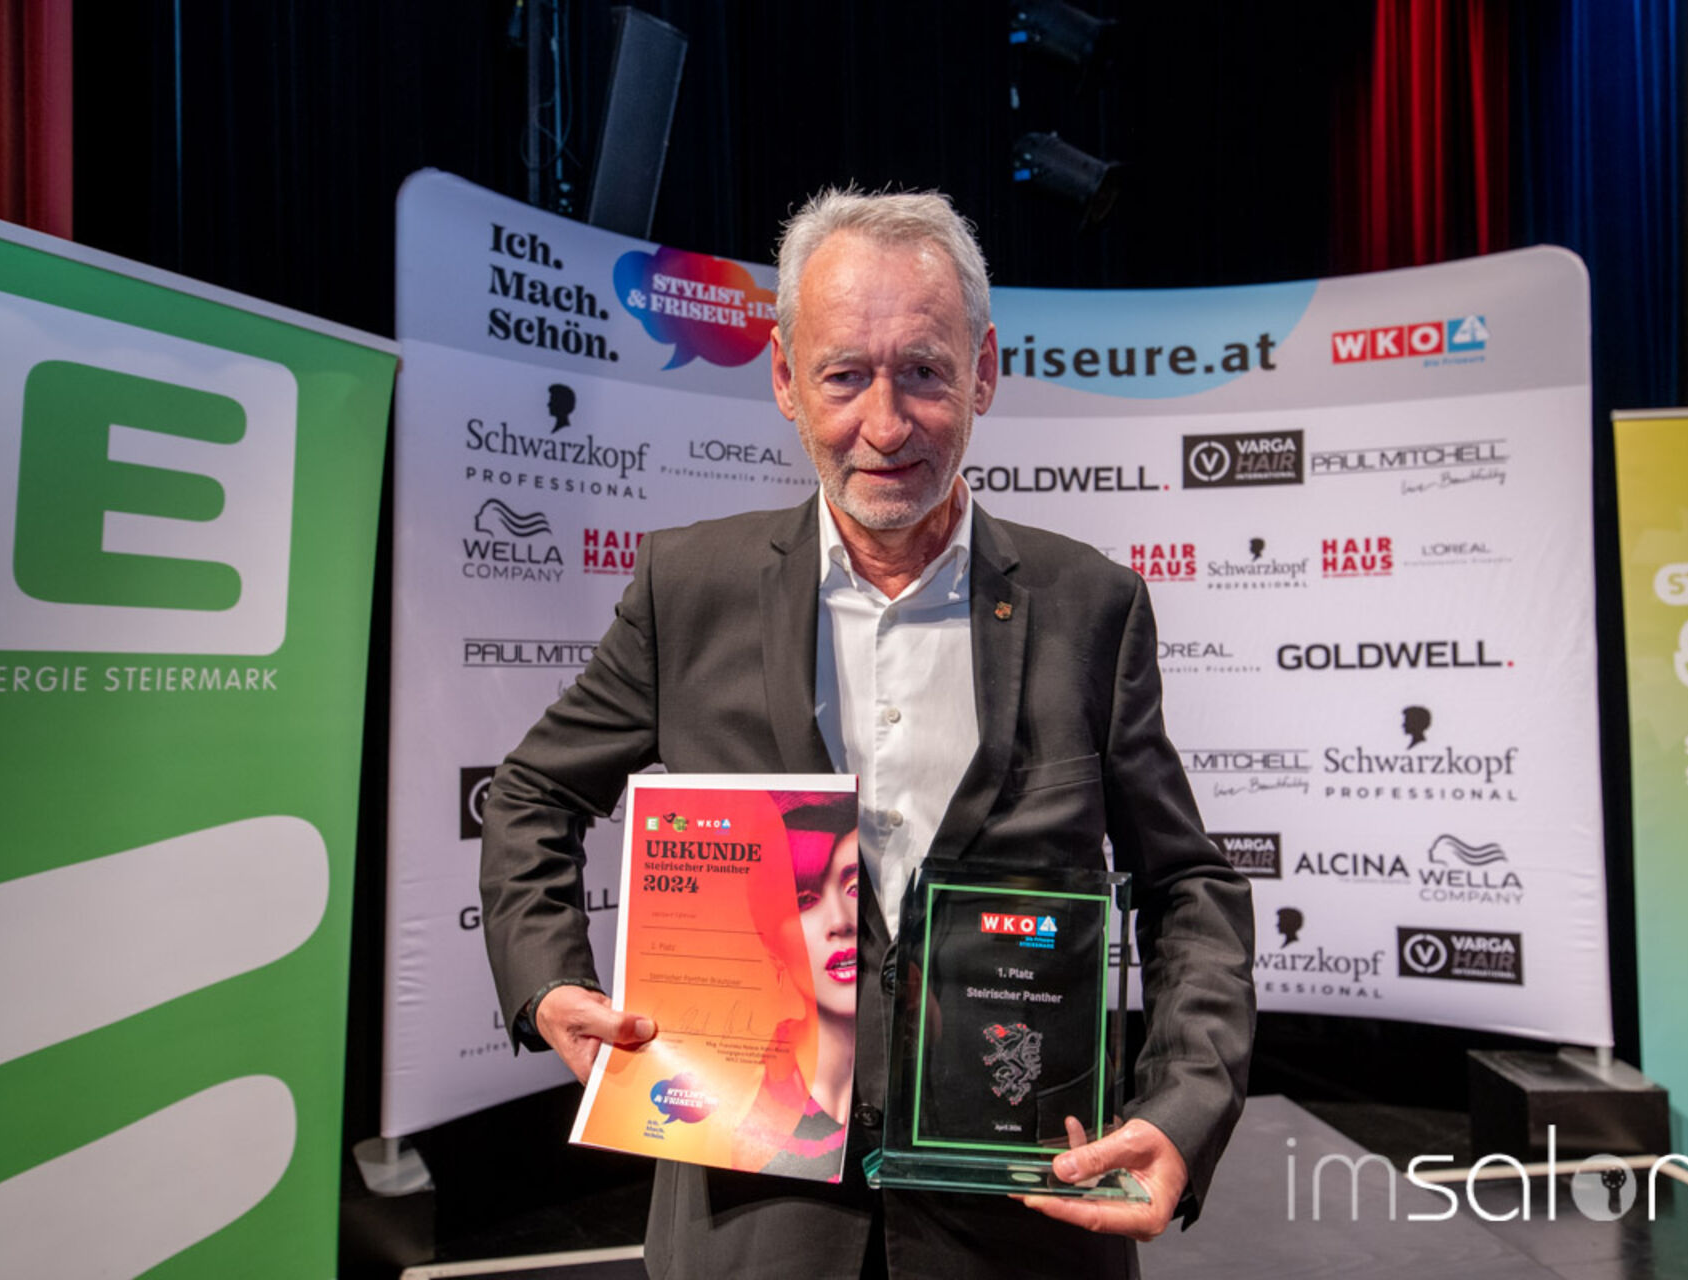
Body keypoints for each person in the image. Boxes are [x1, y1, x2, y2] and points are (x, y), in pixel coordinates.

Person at [480, 187, 1255, 1279]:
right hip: (753, 1220)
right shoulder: (687, 588)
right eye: (844, 374)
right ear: (785, 379)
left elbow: (1188, 884)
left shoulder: (1092, 606)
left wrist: (1182, 1106)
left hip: (1020, 1224)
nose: (885, 426)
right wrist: (548, 982)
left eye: (924, 372)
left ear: (984, 372)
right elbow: (531, 794)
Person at [732, 795, 860, 1180]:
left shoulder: (930, 1066)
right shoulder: (738, 1096)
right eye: (804, 899)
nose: (840, 921)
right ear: (769, 940)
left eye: (855, 888)